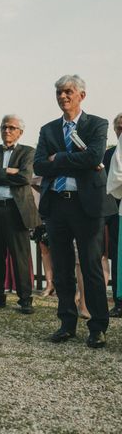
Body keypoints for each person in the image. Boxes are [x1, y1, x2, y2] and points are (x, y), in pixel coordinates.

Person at [34, 74, 116, 348]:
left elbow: (94, 157)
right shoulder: (48, 130)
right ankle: (66, 323)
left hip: (87, 205)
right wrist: (74, 162)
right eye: (59, 92)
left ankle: (97, 326)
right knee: (62, 267)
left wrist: (58, 158)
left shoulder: (97, 124)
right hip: (57, 204)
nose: (62, 96)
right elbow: (39, 166)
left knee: (92, 267)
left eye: (68, 91)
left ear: (82, 95)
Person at [0, 115, 40, 314]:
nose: (7, 131)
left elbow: (24, 177)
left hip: (16, 210)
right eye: (4, 127)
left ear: (20, 132)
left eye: (12, 128)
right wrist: (8, 171)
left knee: (20, 256)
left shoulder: (28, 152)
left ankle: (25, 300)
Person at [105, 113, 122, 317]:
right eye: (118, 127)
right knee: (118, 257)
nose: (121, 130)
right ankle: (119, 301)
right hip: (114, 212)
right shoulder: (109, 154)